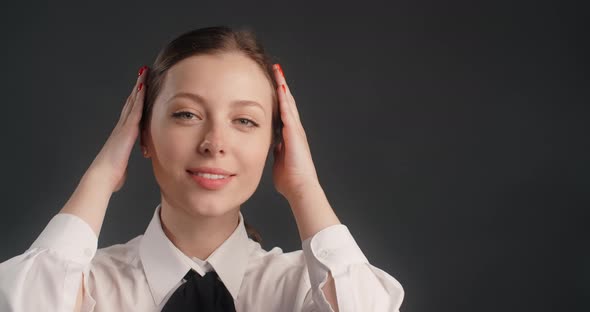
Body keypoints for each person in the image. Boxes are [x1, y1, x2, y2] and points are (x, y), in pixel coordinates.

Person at [0, 26, 404, 311]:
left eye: (245, 120)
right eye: (187, 114)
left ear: (275, 144)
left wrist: (304, 187)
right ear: (142, 135)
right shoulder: (88, 287)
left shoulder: (304, 288)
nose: (214, 142)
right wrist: (101, 174)